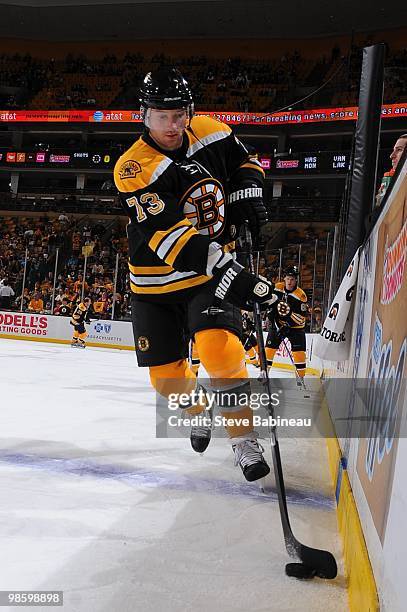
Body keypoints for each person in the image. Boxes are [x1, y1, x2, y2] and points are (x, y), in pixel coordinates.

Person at [113, 67, 280, 482]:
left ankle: (243, 439)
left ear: (190, 110)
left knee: (220, 350)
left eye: (179, 113)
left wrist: (246, 195)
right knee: (167, 381)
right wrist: (237, 277)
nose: (172, 125)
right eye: (161, 115)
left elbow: (245, 161)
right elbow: (175, 242)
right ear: (144, 115)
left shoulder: (210, 130)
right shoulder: (134, 168)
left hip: (207, 278)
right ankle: (197, 408)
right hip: (156, 284)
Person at [265, 266, 308, 380]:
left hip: (296, 328)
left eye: (292, 279)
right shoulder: (277, 287)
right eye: (288, 278)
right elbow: (270, 302)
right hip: (278, 324)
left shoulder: (301, 295)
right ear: (284, 278)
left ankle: (300, 379)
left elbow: (301, 319)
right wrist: (270, 318)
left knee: (299, 355)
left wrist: (288, 322)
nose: (289, 282)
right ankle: (263, 375)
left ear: (296, 280)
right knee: (268, 350)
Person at [375, 134, 407, 207]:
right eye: (394, 150)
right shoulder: (388, 178)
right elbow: (379, 207)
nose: (392, 155)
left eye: (399, 150)